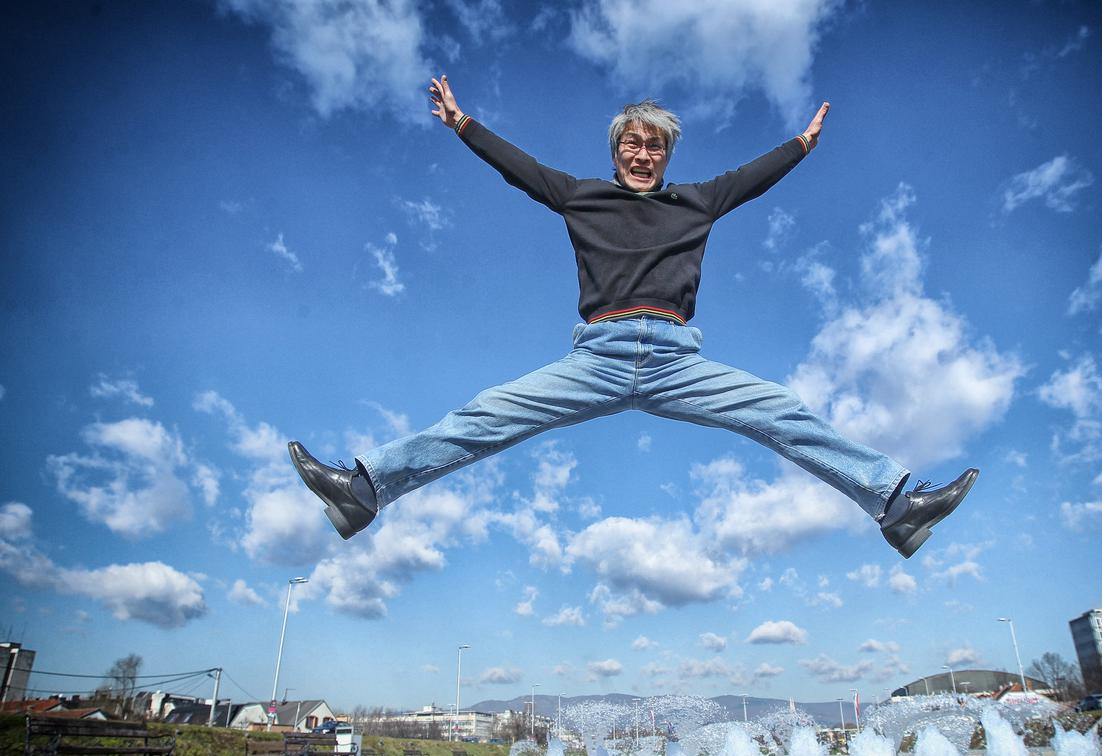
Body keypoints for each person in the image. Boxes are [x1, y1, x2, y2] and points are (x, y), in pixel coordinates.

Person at [289, 74, 977, 560]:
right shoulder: (581, 196)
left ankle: (894, 504)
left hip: (681, 360)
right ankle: (365, 488)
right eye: (632, 144)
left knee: (783, 411)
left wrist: (801, 144)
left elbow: (750, 177)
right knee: (485, 415)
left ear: (667, 155)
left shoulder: (697, 201)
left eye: (655, 147)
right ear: (616, 150)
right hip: (598, 357)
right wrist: (463, 123)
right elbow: (520, 169)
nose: (643, 155)